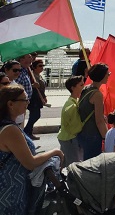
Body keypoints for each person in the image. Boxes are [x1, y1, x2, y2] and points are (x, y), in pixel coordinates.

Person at [0, 84, 64, 215]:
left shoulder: (7, 125)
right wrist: (54, 152)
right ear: (10, 104)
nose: (28, 102)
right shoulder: (10, 130)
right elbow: (30, 162)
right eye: (24, 99)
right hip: (11, 190)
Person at [78, 63, 109, 160]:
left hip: (83, 132)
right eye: (108, 73)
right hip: (92, 135)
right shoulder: (97, 94)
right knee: (92, 164)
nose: (109, 75)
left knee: (86, 161)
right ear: (102, 76)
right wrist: (106, 137)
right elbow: (99, 120)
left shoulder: (86, 88)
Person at [57, 75, 84, 166]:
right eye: (81, 85)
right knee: (73, 165)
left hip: (65, 137)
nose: (83, 87)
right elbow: (76, 127)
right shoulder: (72, 106)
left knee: (64, 163)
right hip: (70, 138)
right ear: (73, 88)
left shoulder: (72, 102)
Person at [24, 59, 46, 140]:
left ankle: (29, 132)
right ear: (34, 67)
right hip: (33, 98)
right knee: (35, 115)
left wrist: (44, 96)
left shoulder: (39, 75)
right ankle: (26, 131)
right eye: (40, 66)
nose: (42, 68)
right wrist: (33, 85)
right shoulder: (31, 76)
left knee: (35, 116)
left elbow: (42, 88)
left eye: (42, 66)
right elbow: (27, 86)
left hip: (39, 98)